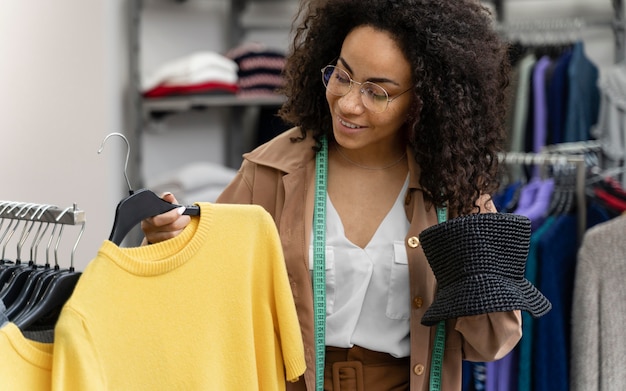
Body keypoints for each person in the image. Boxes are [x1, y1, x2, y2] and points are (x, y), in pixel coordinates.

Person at [141, 0, 540, 389]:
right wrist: (166, 243)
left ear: (424, 100)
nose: (349, 103)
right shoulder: (270, 172)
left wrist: (471, 265)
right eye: (343, 76)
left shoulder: (453, 187)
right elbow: (199, 296)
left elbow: (491, 344)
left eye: (378, 92)